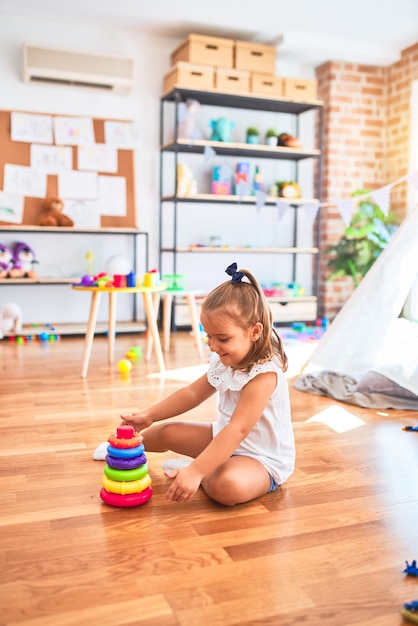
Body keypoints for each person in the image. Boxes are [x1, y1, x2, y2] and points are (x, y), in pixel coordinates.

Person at [121, 263, 295, 506]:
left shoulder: (264, 375)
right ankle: (124, 451)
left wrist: (196, 471)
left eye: (222, 338)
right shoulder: (225, 359)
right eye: (208, 337)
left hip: (261, 459)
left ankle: (200, 471)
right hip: (223, 439)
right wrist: (149, 415)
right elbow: (192, 393)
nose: (213, 346)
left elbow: (238, 430)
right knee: (167, 432)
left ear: (255, 332)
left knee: (227, 487)